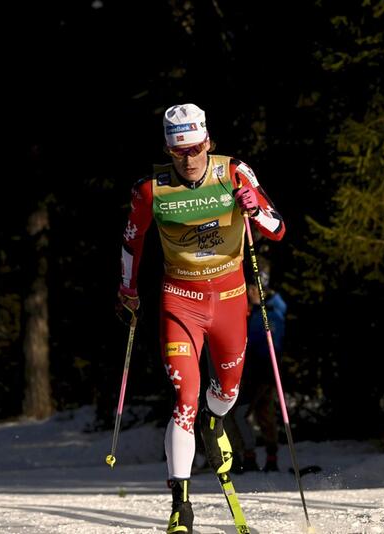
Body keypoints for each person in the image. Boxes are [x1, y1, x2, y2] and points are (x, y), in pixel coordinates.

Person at [116, 103, 285, 533]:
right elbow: (131, 242)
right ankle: (181, 505)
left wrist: (256, 208)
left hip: (229, 302)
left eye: (194, 149)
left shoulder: (234, 172)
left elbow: (278, 228)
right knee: (184, 400)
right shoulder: (151, 189)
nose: (188, 160)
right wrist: (128, 291)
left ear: (208, 141)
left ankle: (217, 419)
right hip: (180, 302)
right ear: (168, 151)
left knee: (225, 395)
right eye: (179, 153)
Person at [227, 267, 287, 473]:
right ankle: (263, 457)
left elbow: (266, 340)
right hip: (256, 370)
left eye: (253, 288)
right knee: (261, 413)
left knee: (240, 413)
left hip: (261, 371)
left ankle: (250, 456)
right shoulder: (256, 309)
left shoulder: (271, 310)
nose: (249, 292)